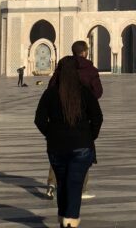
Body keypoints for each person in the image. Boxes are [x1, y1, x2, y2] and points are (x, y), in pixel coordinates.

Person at [35, 55, 103, 228]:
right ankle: (70, 221)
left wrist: (51, 134)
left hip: (57, 147)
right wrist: (90, 136)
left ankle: (63, 217)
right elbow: (97, 117)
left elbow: (39, 120)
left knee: (63, 183)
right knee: (74, 184)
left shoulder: (50, 93)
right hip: (81, 147)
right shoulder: (85, 92)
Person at [45, 41, 103, 201]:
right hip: (81, 117)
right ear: (84, 52)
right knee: (82, 150)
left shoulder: (63, 66)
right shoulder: (89, 69)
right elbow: (98, 92)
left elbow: (51, 88)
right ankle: (81, 189)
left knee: (58, 149)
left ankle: (52, 183)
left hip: (60, 116)